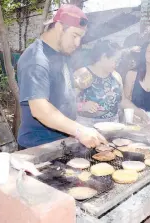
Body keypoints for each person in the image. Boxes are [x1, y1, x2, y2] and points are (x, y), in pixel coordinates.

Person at [17, 4, 107, 149]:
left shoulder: (60, 53)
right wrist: (79, 130)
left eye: (80, 37)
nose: (77, 43)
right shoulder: (36, 60)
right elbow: (40, 110)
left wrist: (76, 82)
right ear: (59, 27)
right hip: (38, 148)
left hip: (61, 142)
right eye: (75, 35)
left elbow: (58, 89)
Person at [74, 40, 148, 125]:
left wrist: (139, 113)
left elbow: (122, 100)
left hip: (113, 125)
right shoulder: (82, 74)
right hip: (87, 126)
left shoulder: (116, 76)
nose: (117, 64)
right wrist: (82, 106)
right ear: (104, 57)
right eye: (115, 60)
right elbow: (65, 104)